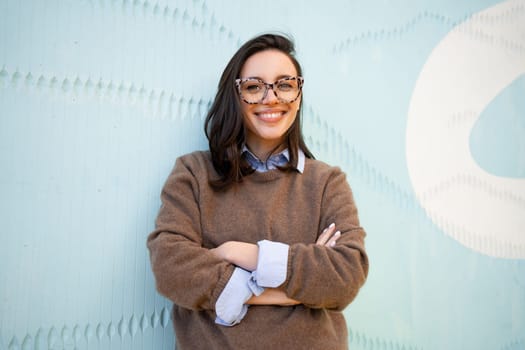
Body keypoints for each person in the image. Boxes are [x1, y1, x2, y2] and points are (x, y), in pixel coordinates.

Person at [147, 33, 369, 350]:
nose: (271, 97)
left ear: (298, 94)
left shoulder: (327, 183)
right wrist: (301, 286)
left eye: (285, 84)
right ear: (235, 96)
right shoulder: (193, 174)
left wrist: (238, 253)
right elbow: (170, 266)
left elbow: (345, 277)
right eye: (254, 87)